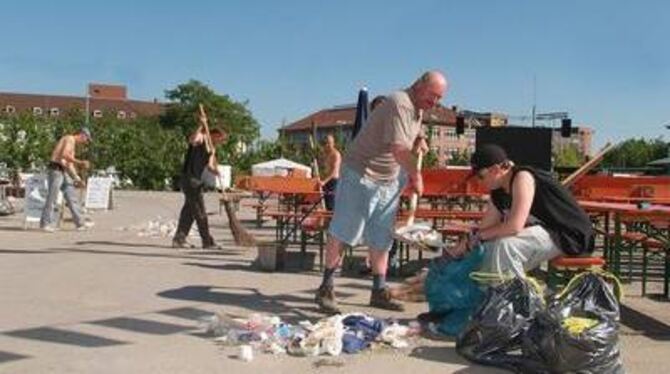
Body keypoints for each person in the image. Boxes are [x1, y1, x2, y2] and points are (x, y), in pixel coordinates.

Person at [315, 71, 447, 313]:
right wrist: (416, 176)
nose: (434, 102)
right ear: (418, 85)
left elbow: (409, 133)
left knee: (381, 238)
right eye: (432, 95)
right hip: (361, 174)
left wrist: (420, 138)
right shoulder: (400, 102)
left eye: (439, 98)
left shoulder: (418, 108)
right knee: (344, 232)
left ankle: (378, 291)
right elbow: (398, 148)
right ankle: (326, 287)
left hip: (389, 180)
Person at [445, 144, 595, 277]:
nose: (479, 181)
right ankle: (496, 297)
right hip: (549, 233)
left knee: (507, 246)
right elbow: (484, 229)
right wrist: (459, 248)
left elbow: (514, 226)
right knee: (488, 251)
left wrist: (478, 237)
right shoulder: (498, 191)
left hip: (570, 235)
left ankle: (514, 300)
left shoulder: (522, 177)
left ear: (496, 170)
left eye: (480, 176)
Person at [172, 115, 228, 249]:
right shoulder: (201, 138)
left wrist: (216, 171)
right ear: (214, 135)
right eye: (220, 139)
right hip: (189, 179)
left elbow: (209, 166)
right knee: (200, 212)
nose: (221, 142)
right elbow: (192, 139)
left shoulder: (212, 149)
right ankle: (207, 241)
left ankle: (179, 240)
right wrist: (201, 125)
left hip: (195, 179)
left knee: (189, 211)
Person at [40, 128, 94, 232]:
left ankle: (80, 223)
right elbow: (64, 155)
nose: (85, 143)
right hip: (56, 170)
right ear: (82, 135)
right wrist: (81, 162)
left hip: (63, 171)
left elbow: (69, 164)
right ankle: (45, 223)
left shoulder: (72, 146)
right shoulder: (69, 139)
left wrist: (77, 178)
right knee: (52, 197)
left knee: (71, 196)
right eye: (86, 140)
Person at [319, 134, 341, 211]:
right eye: (326, 143)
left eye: (329, 143)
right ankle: (326, 222)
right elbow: (323, 168)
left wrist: (324, 181)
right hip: (326, 181)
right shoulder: (325, 154)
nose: (327, 145)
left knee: (331, 205)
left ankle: (332, 221)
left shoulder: (336, 154)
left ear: (333, 143)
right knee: (324, 204)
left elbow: (334, 171)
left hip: (333, 181)